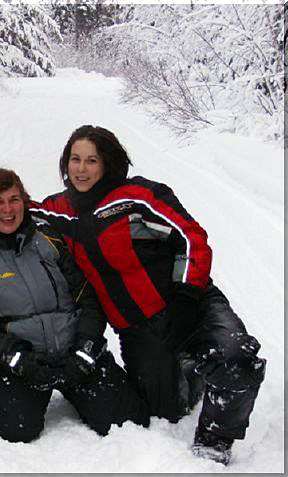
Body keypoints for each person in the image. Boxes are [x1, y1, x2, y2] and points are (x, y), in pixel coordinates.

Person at [37, 125, 266, 465]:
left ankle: (214, 441)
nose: (81, 169)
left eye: (91, 160)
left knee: (237, 358)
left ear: (108, 163)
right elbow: (10, 211)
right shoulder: (60, 210)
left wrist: (187, 295)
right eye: (75, 160)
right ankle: (192, 367)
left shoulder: (139, 196)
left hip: (190, 304)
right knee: (167, 411)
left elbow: (192, 238)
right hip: (139, 329)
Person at [0, 168, 149, 444]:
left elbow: (87, 295)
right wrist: (17, 359)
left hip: (74, 351)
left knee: (129, 420)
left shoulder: (51, 238)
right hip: (26, 362)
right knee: (11, 430)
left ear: (25, 202)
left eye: (14, 200)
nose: (7, 209)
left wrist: (85, 349)